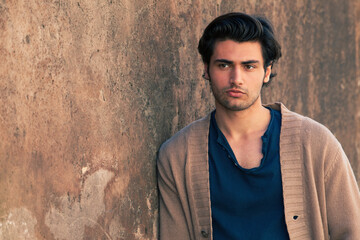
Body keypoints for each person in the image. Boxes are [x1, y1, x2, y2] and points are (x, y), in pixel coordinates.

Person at [157, 12, 360, 240]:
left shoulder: (316, 143)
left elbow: (352, 232)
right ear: (206, 69)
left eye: (249, 66)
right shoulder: (177, 156)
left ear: (267, 72)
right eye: (224, 65)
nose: (236, 78)